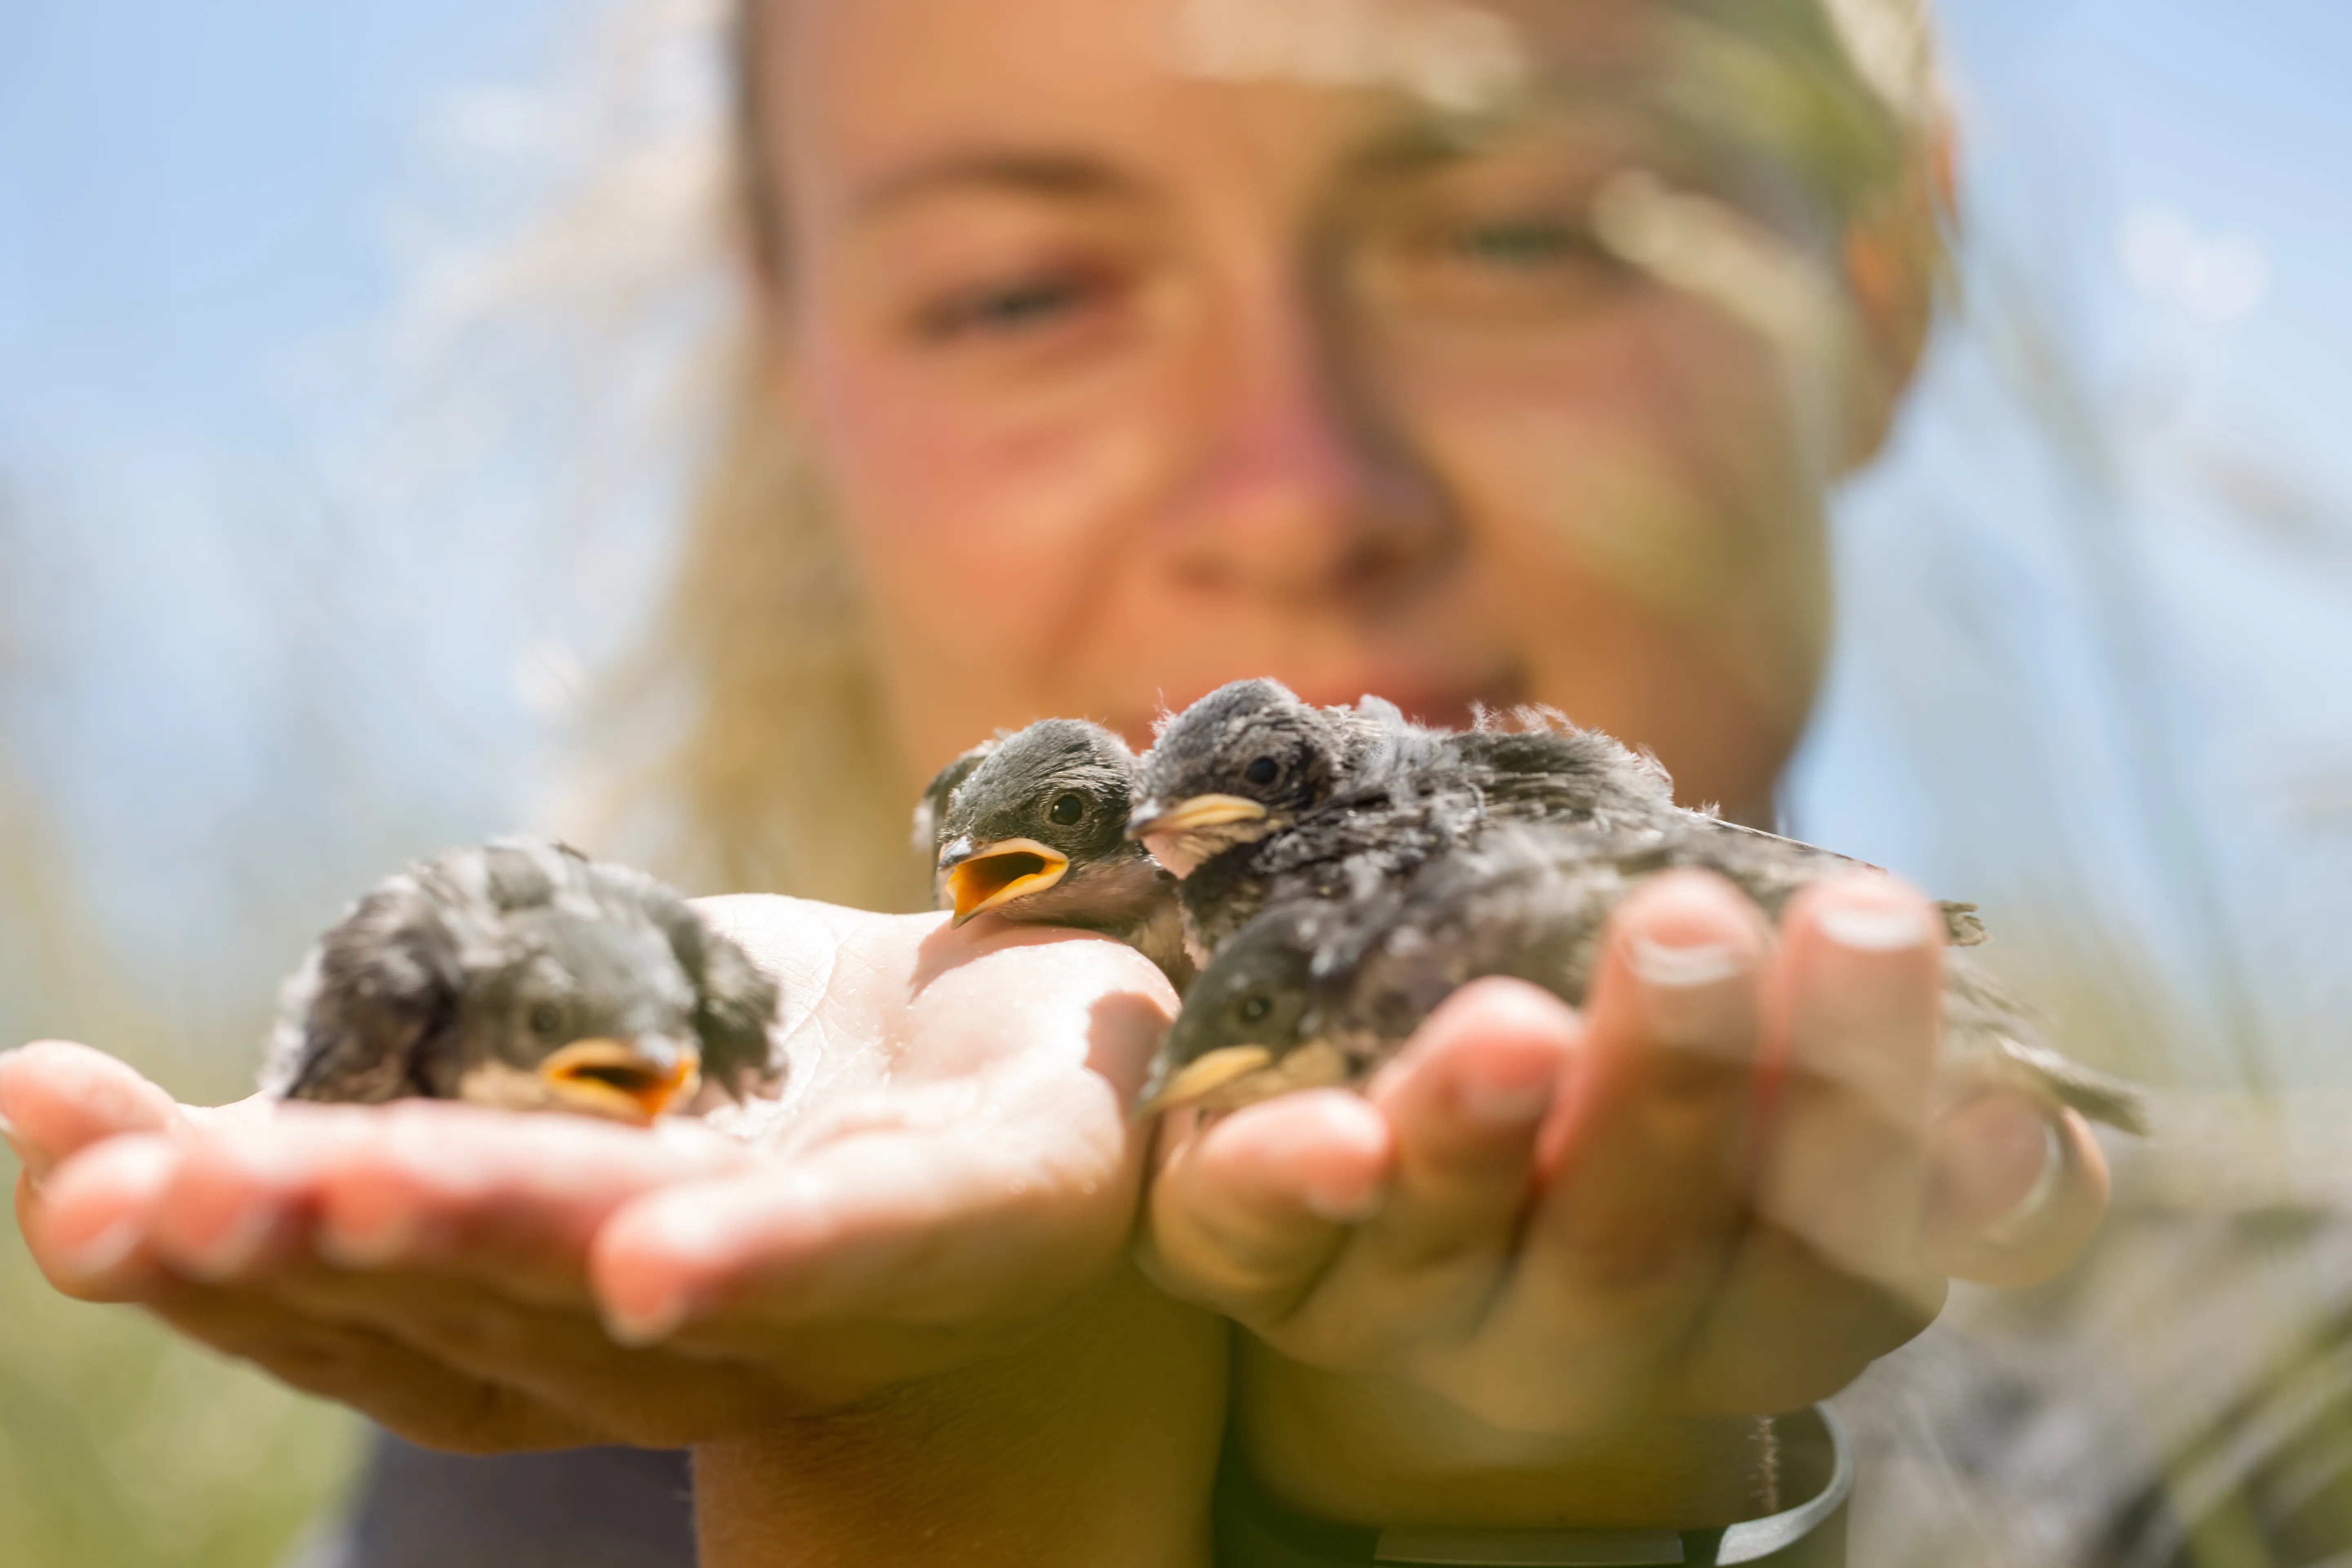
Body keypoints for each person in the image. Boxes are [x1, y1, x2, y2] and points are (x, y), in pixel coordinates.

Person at [0, 0, 2118, 1563]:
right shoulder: (522, 1460)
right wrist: (910, 1464)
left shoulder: (2248, 1427)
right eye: (1024, 289)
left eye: (1518, 232)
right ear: (792, 365)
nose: (1300, 493)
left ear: (1879, 274)